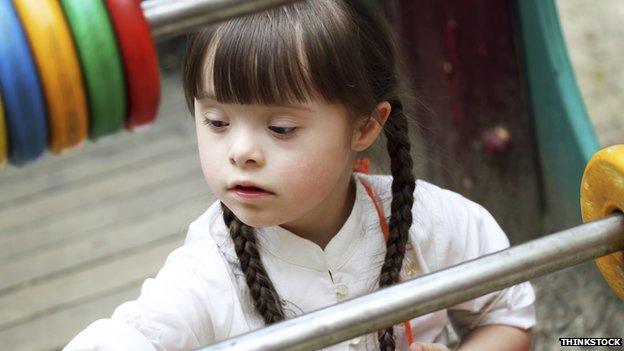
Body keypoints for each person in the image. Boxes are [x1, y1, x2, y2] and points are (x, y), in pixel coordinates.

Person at [64, 0, 535, 350]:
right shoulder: (208, 273)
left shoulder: (432, 222)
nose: (242, 151)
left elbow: (509, 313)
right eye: (216, 122)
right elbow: (133, 335)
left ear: (366, 126)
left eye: (281, 127)